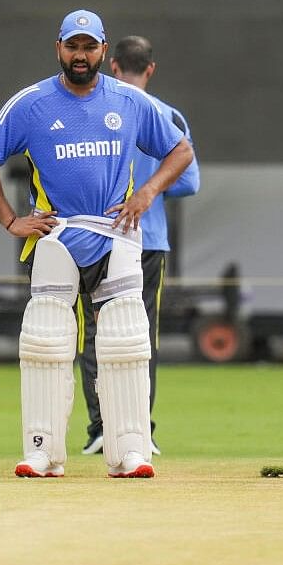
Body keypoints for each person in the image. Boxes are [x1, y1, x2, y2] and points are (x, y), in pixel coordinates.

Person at [0, 9, 194, 479]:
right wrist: (11, 220)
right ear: (58, 49)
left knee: (126, 342)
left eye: (89, 47)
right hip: (59, 234)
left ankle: (131, 450)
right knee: (46, 341)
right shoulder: (30, 104)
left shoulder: (131, 102)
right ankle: (42, 451)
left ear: (103, 51)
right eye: (72, 46)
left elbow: (181, 150)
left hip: (116, 235)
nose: (80, 55)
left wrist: (148, 193)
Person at [78, 35, 200, 456]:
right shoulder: (167, 114)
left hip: (95, 236)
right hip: (149, 239)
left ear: (112, 65)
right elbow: (189, 180)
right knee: (141, 335)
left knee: (92, 333)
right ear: (150, 68)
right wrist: (151, 190)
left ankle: (99, 428)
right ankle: (138, 429)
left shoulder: (95, 107)